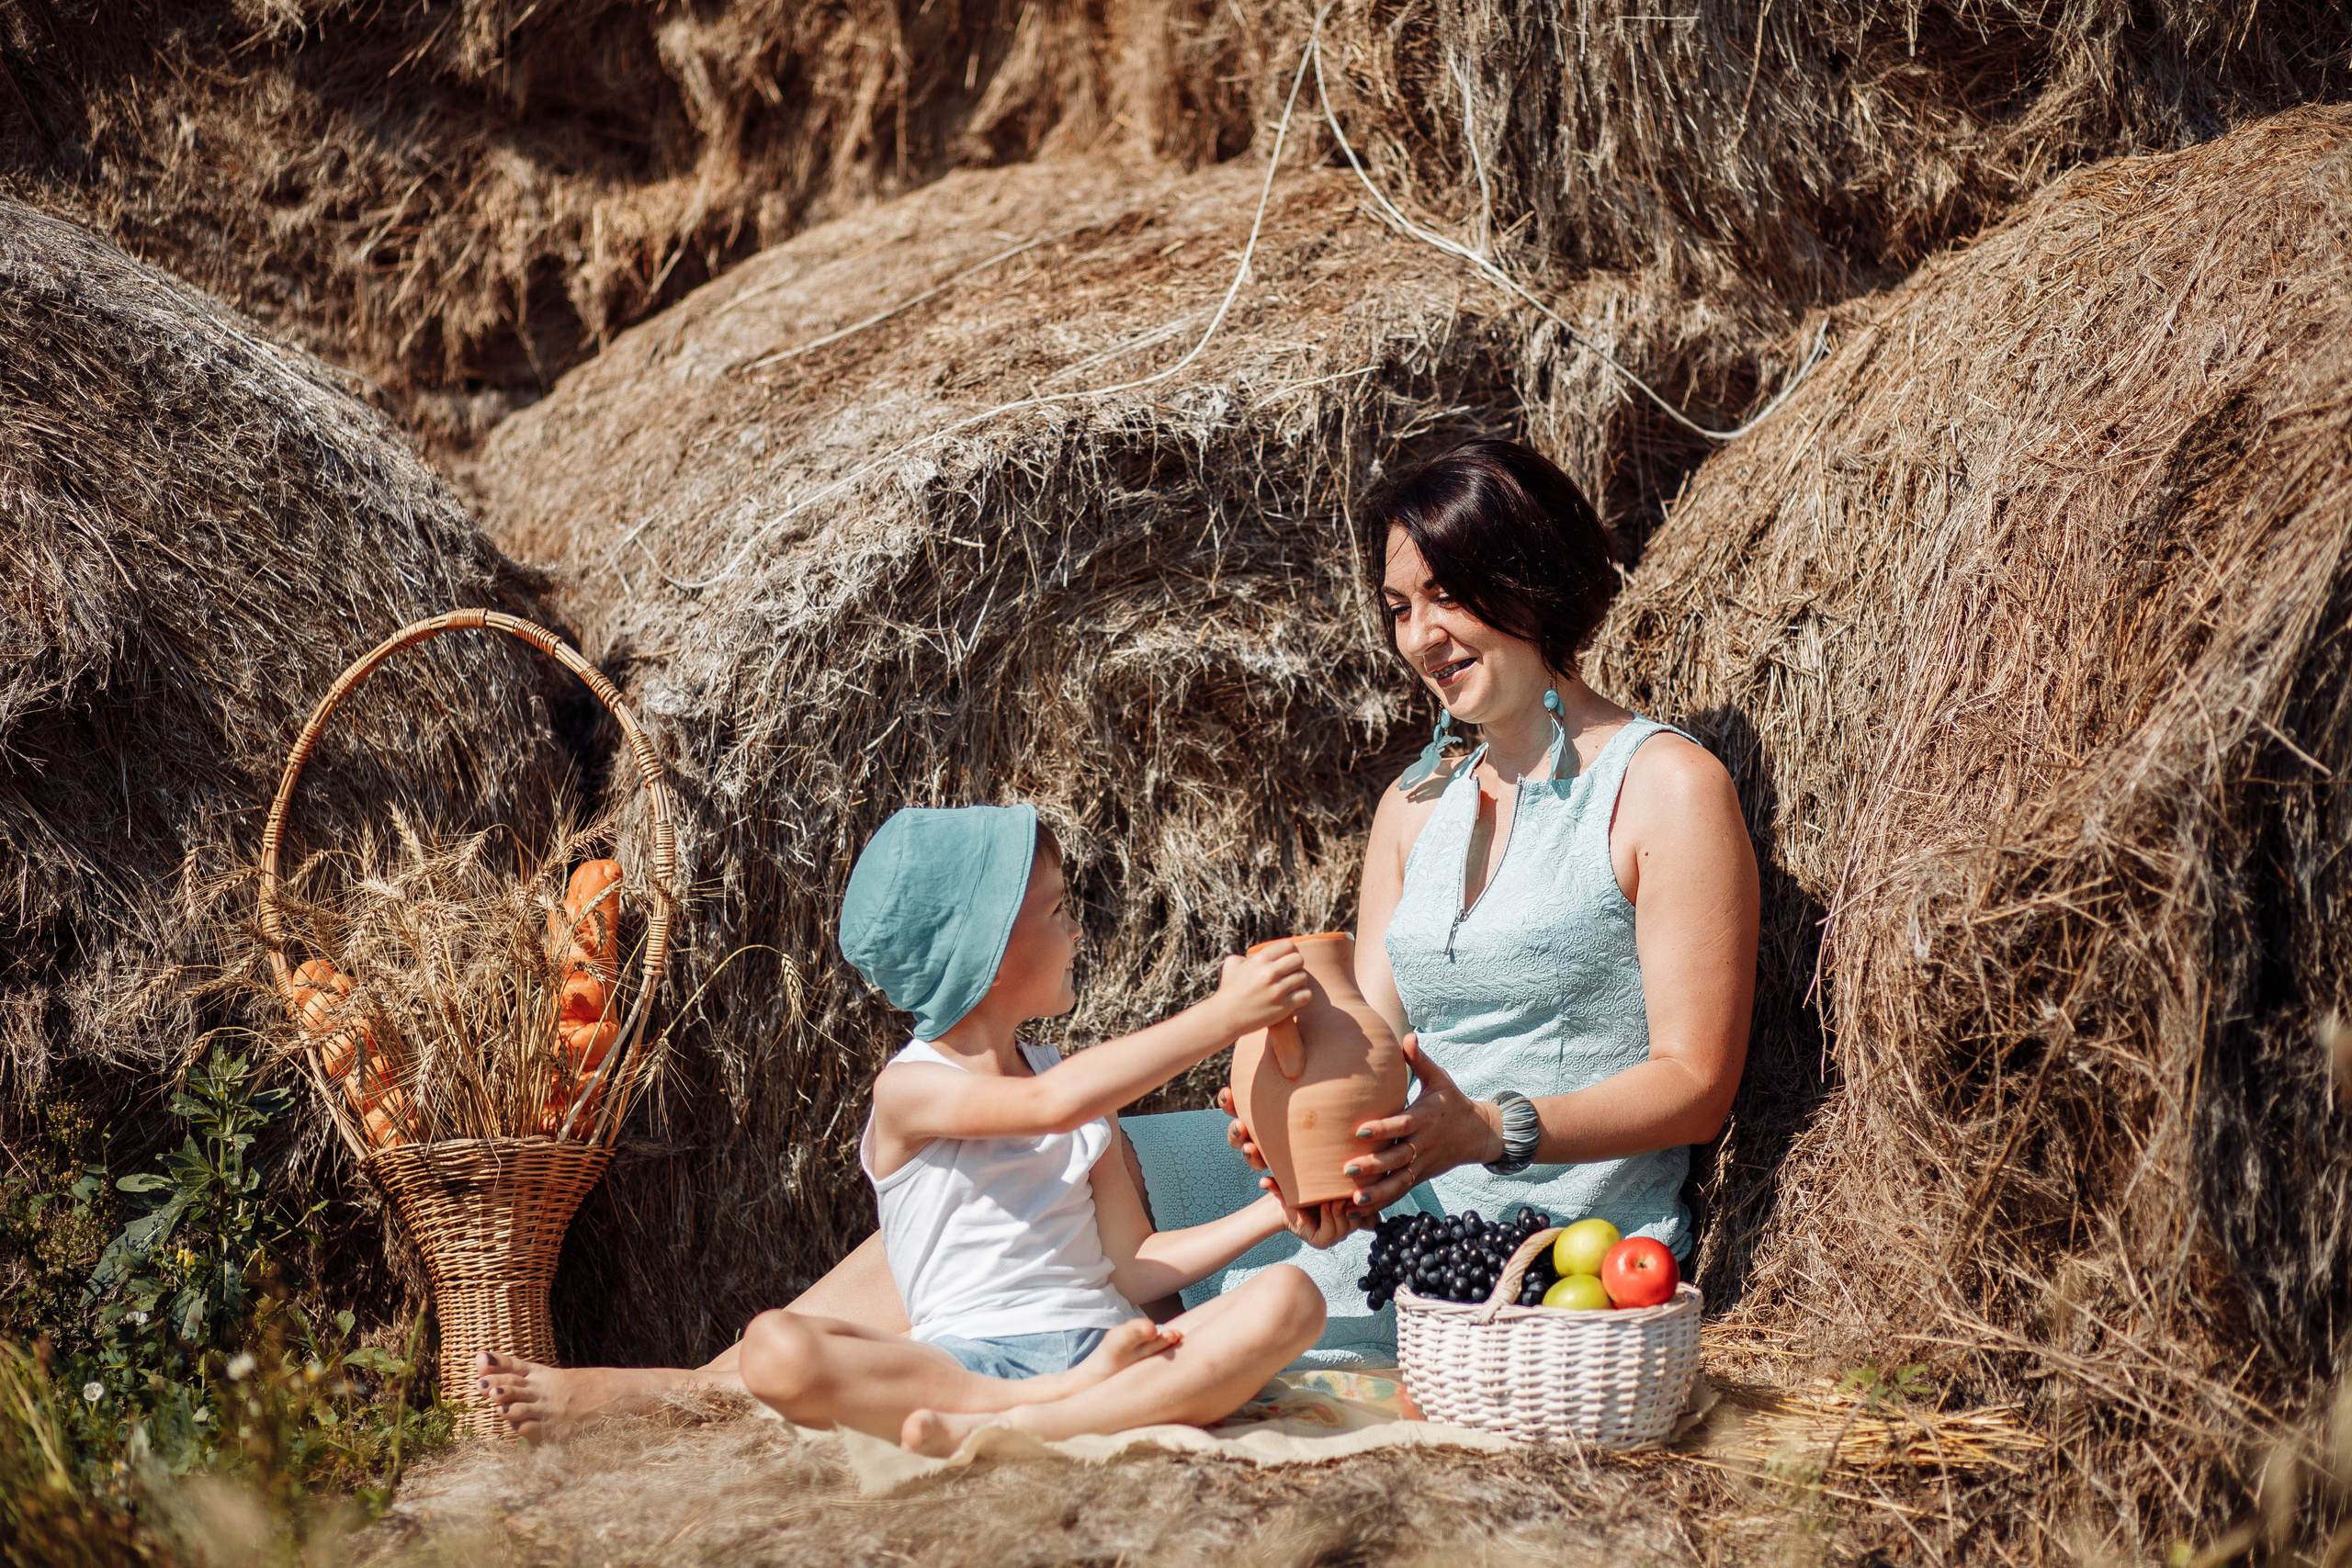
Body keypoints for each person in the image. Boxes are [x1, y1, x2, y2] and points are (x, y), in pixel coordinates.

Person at [796, 436, 1759, 1361]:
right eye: (1397, 607)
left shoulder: (1664, 787)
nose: (1420, 636)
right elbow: (1365, 1033)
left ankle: (873, 1377)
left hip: (1531, 1222)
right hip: (1380, 1173)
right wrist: (1275, 1092)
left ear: (1533, 579)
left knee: (1131, 1237)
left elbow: (1694, 1084)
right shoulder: (1413, 808)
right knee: (1059, 1167)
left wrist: (1488, 1130)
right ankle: (726, 1383)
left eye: (1447, 596)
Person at [478, 803, 1349, 1448]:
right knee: (775, 1345)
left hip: (1104, 1342)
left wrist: (1282, 1210)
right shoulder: (911, 1090)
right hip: (958, 1365)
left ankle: (1039, 1420)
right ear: (989, 949)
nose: (1078, 925)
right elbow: (1050, 1107)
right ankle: (1051, 1410)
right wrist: (1222, 1017)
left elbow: (1134, 1261)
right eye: (1055, 909)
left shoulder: (1072, 1087)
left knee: (1289, 1299)